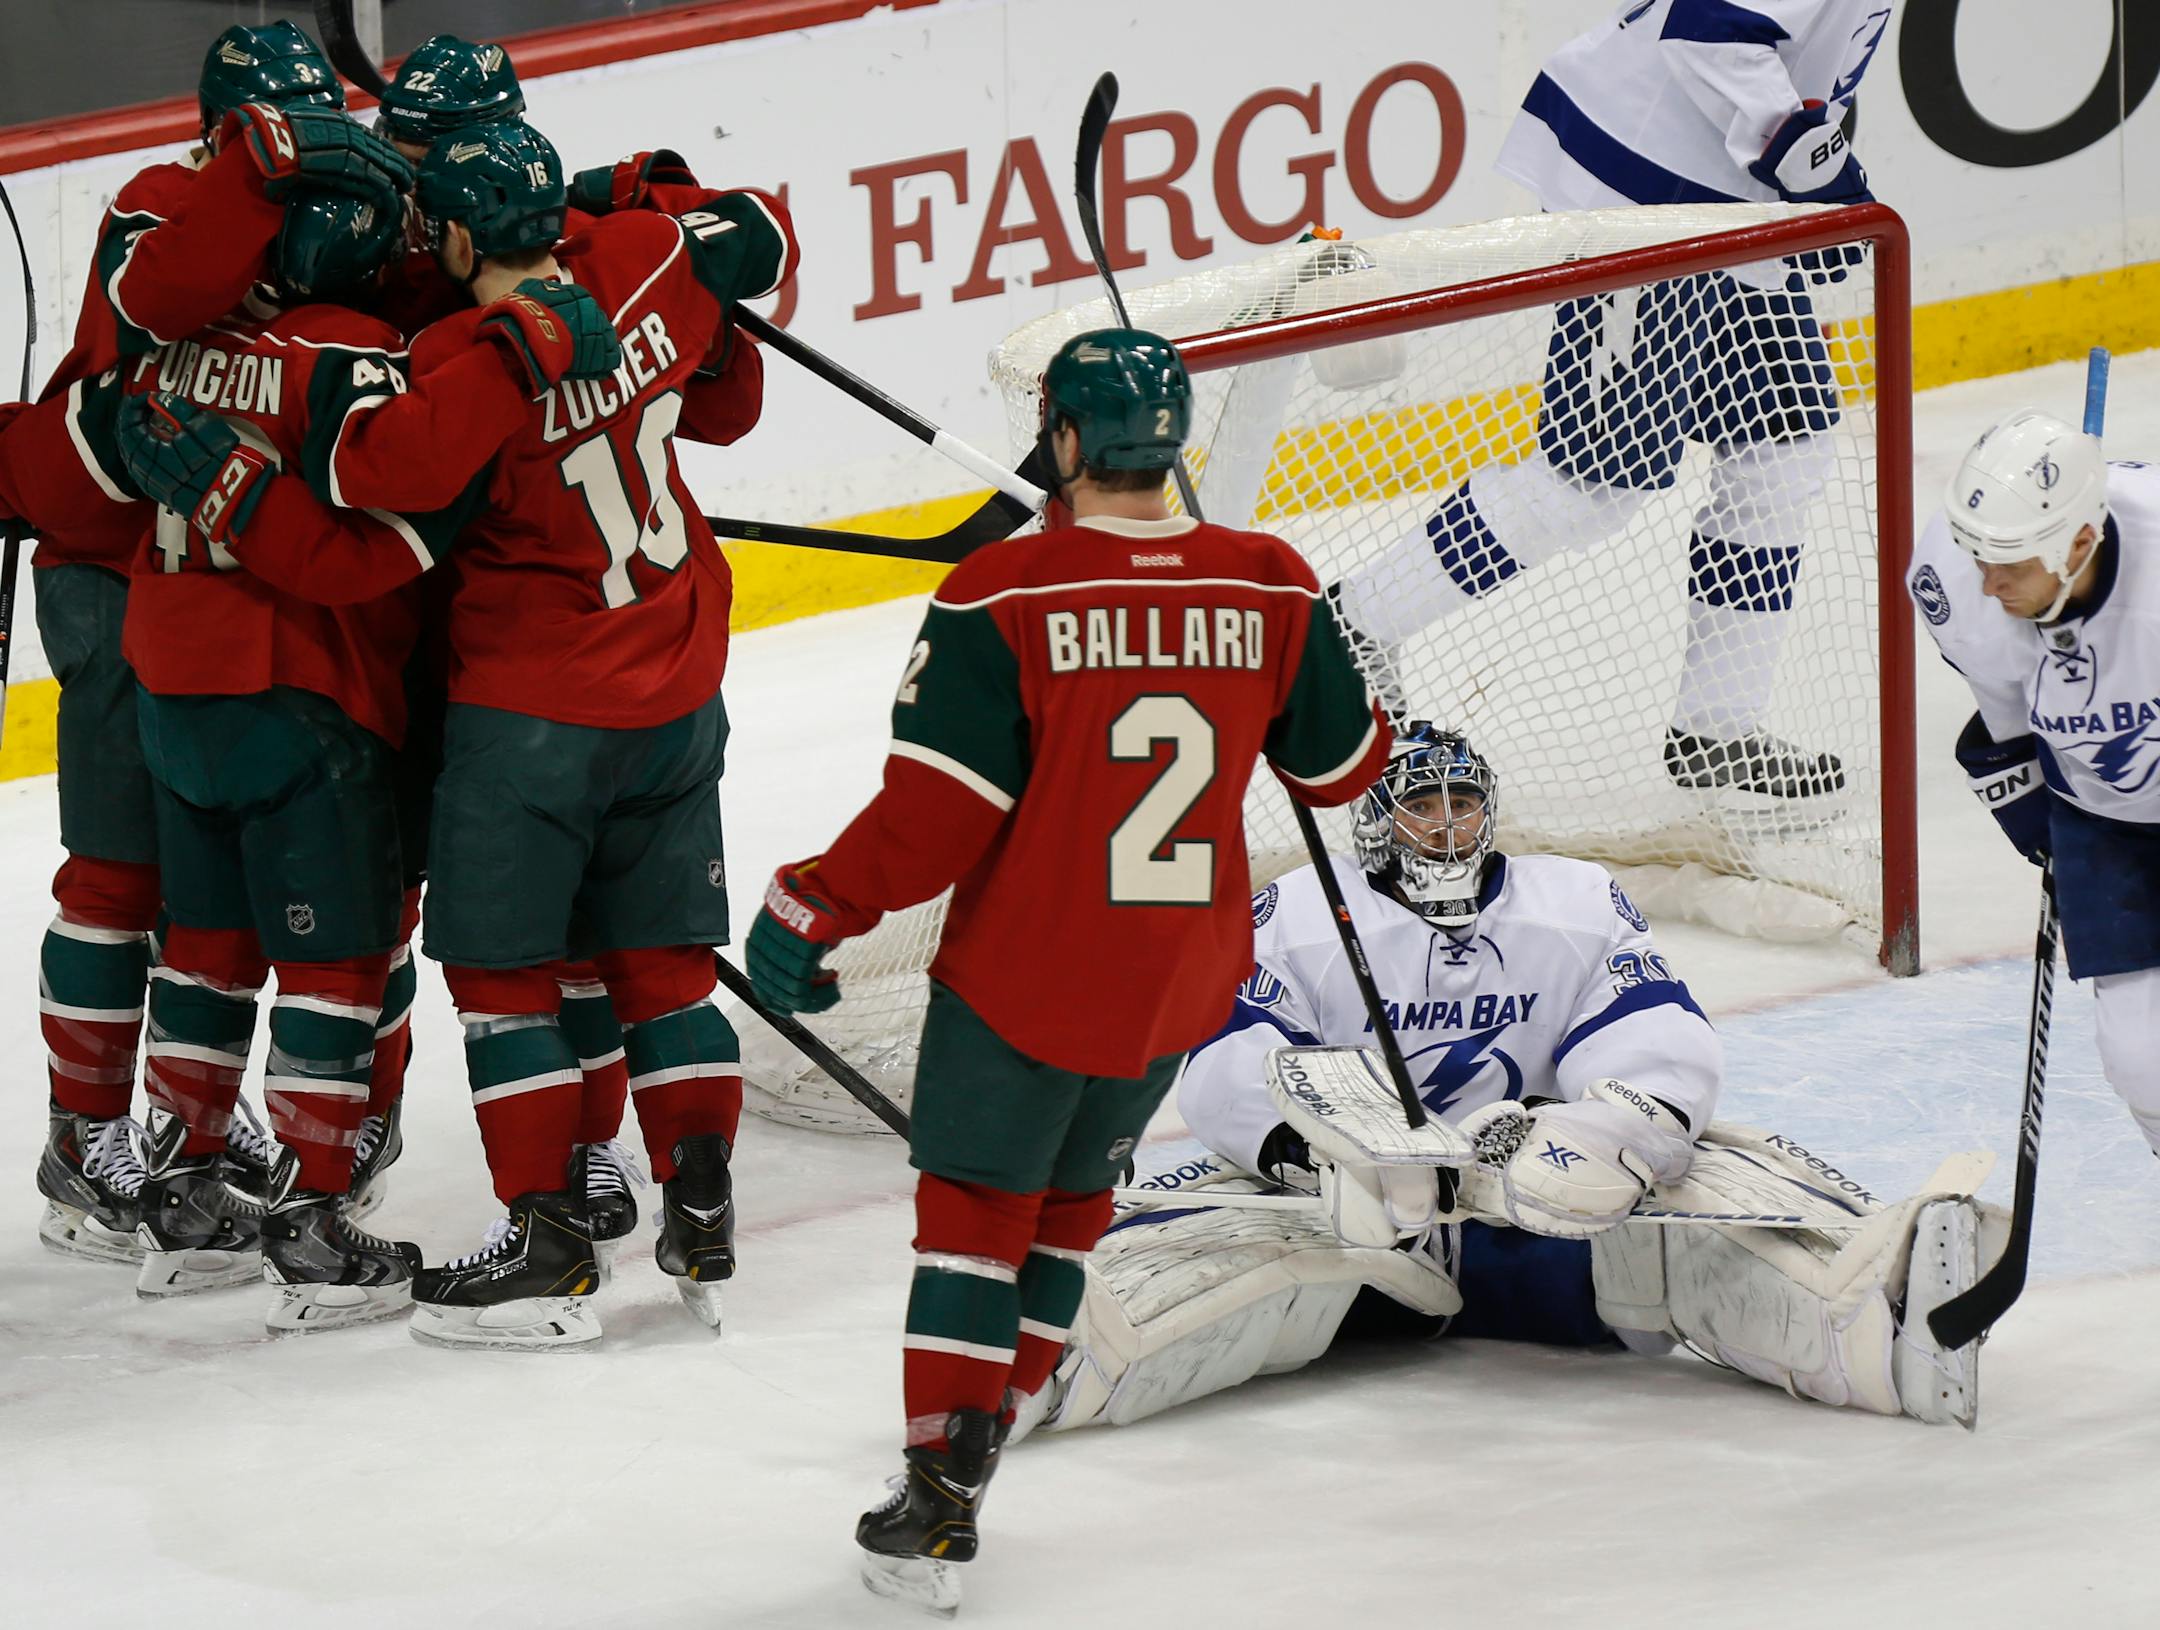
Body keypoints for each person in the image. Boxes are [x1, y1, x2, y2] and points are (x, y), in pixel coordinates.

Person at [744, 327, 1392, 1614]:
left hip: (1029, 977)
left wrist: (812, 905)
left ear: (1068, 441)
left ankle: (942, 1489)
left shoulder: (1001, 591)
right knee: (1068, 1213)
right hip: (1179, 985)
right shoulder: (1269, 580)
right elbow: (1344, 769)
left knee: (976, 1221)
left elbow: (936, 820)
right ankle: (996, 1418)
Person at [1019, 722, 1994, 1442]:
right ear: (1376, 824)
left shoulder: (1570, 903)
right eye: (1421, 806)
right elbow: (1230, 1059)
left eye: (1462, 804)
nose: (1446, 827)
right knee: (1224, 1247)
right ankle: (1058, 1359)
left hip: (1533, 1207)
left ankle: (1875, 1324)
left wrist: (1610, 1136)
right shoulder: (1298, 914)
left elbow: (1656, 1035)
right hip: (1361, 1218)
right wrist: (1313, 1161)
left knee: (1713, 1195)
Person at [327, 119, 796, 1349]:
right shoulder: (646, 255)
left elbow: (383, 478)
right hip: (680, 683)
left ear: (463, 233)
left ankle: (547, 1244)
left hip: (534, 710)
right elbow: (760, 241)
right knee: (666, 967)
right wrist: (648, 193)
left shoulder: (448, 354)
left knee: (499, 978)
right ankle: (700, 1199)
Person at [0, 20, 410, 1268]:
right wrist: (266, 166)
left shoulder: (335, 200)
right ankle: (86, 1142)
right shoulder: (162, 204)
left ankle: (211, 1140)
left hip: (206, 587)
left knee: (216, 894)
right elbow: (168, 299)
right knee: (126, 878)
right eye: (282, 130)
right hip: (113, 572)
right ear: (225, 133)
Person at [1331, 0, 1892, 796]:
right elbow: (1706, 25)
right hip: (1644, 199)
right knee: (1596, 482)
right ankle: (1357, 620)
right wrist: (1818, 175)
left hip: (1730, 205)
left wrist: (1812, 176)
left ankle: (1715, 728)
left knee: (1785, 448)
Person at [104, 180, 468, 1321]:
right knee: (335, 969)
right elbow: (397, 508)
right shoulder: (356, 345)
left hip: (171, 690)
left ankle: (183, 1201)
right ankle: (311, 1226)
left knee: (204, 951)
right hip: (301, 688)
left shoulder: (165, 348)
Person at [1907, 410, 2160, 1156]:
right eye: (1976, 556)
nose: (1987, 584)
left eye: (2009, 563)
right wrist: (2037, 826)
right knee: (2142, 1060)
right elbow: (2011, 730)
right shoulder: (1957, 585)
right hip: (2104, 826)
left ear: (2080, 541)